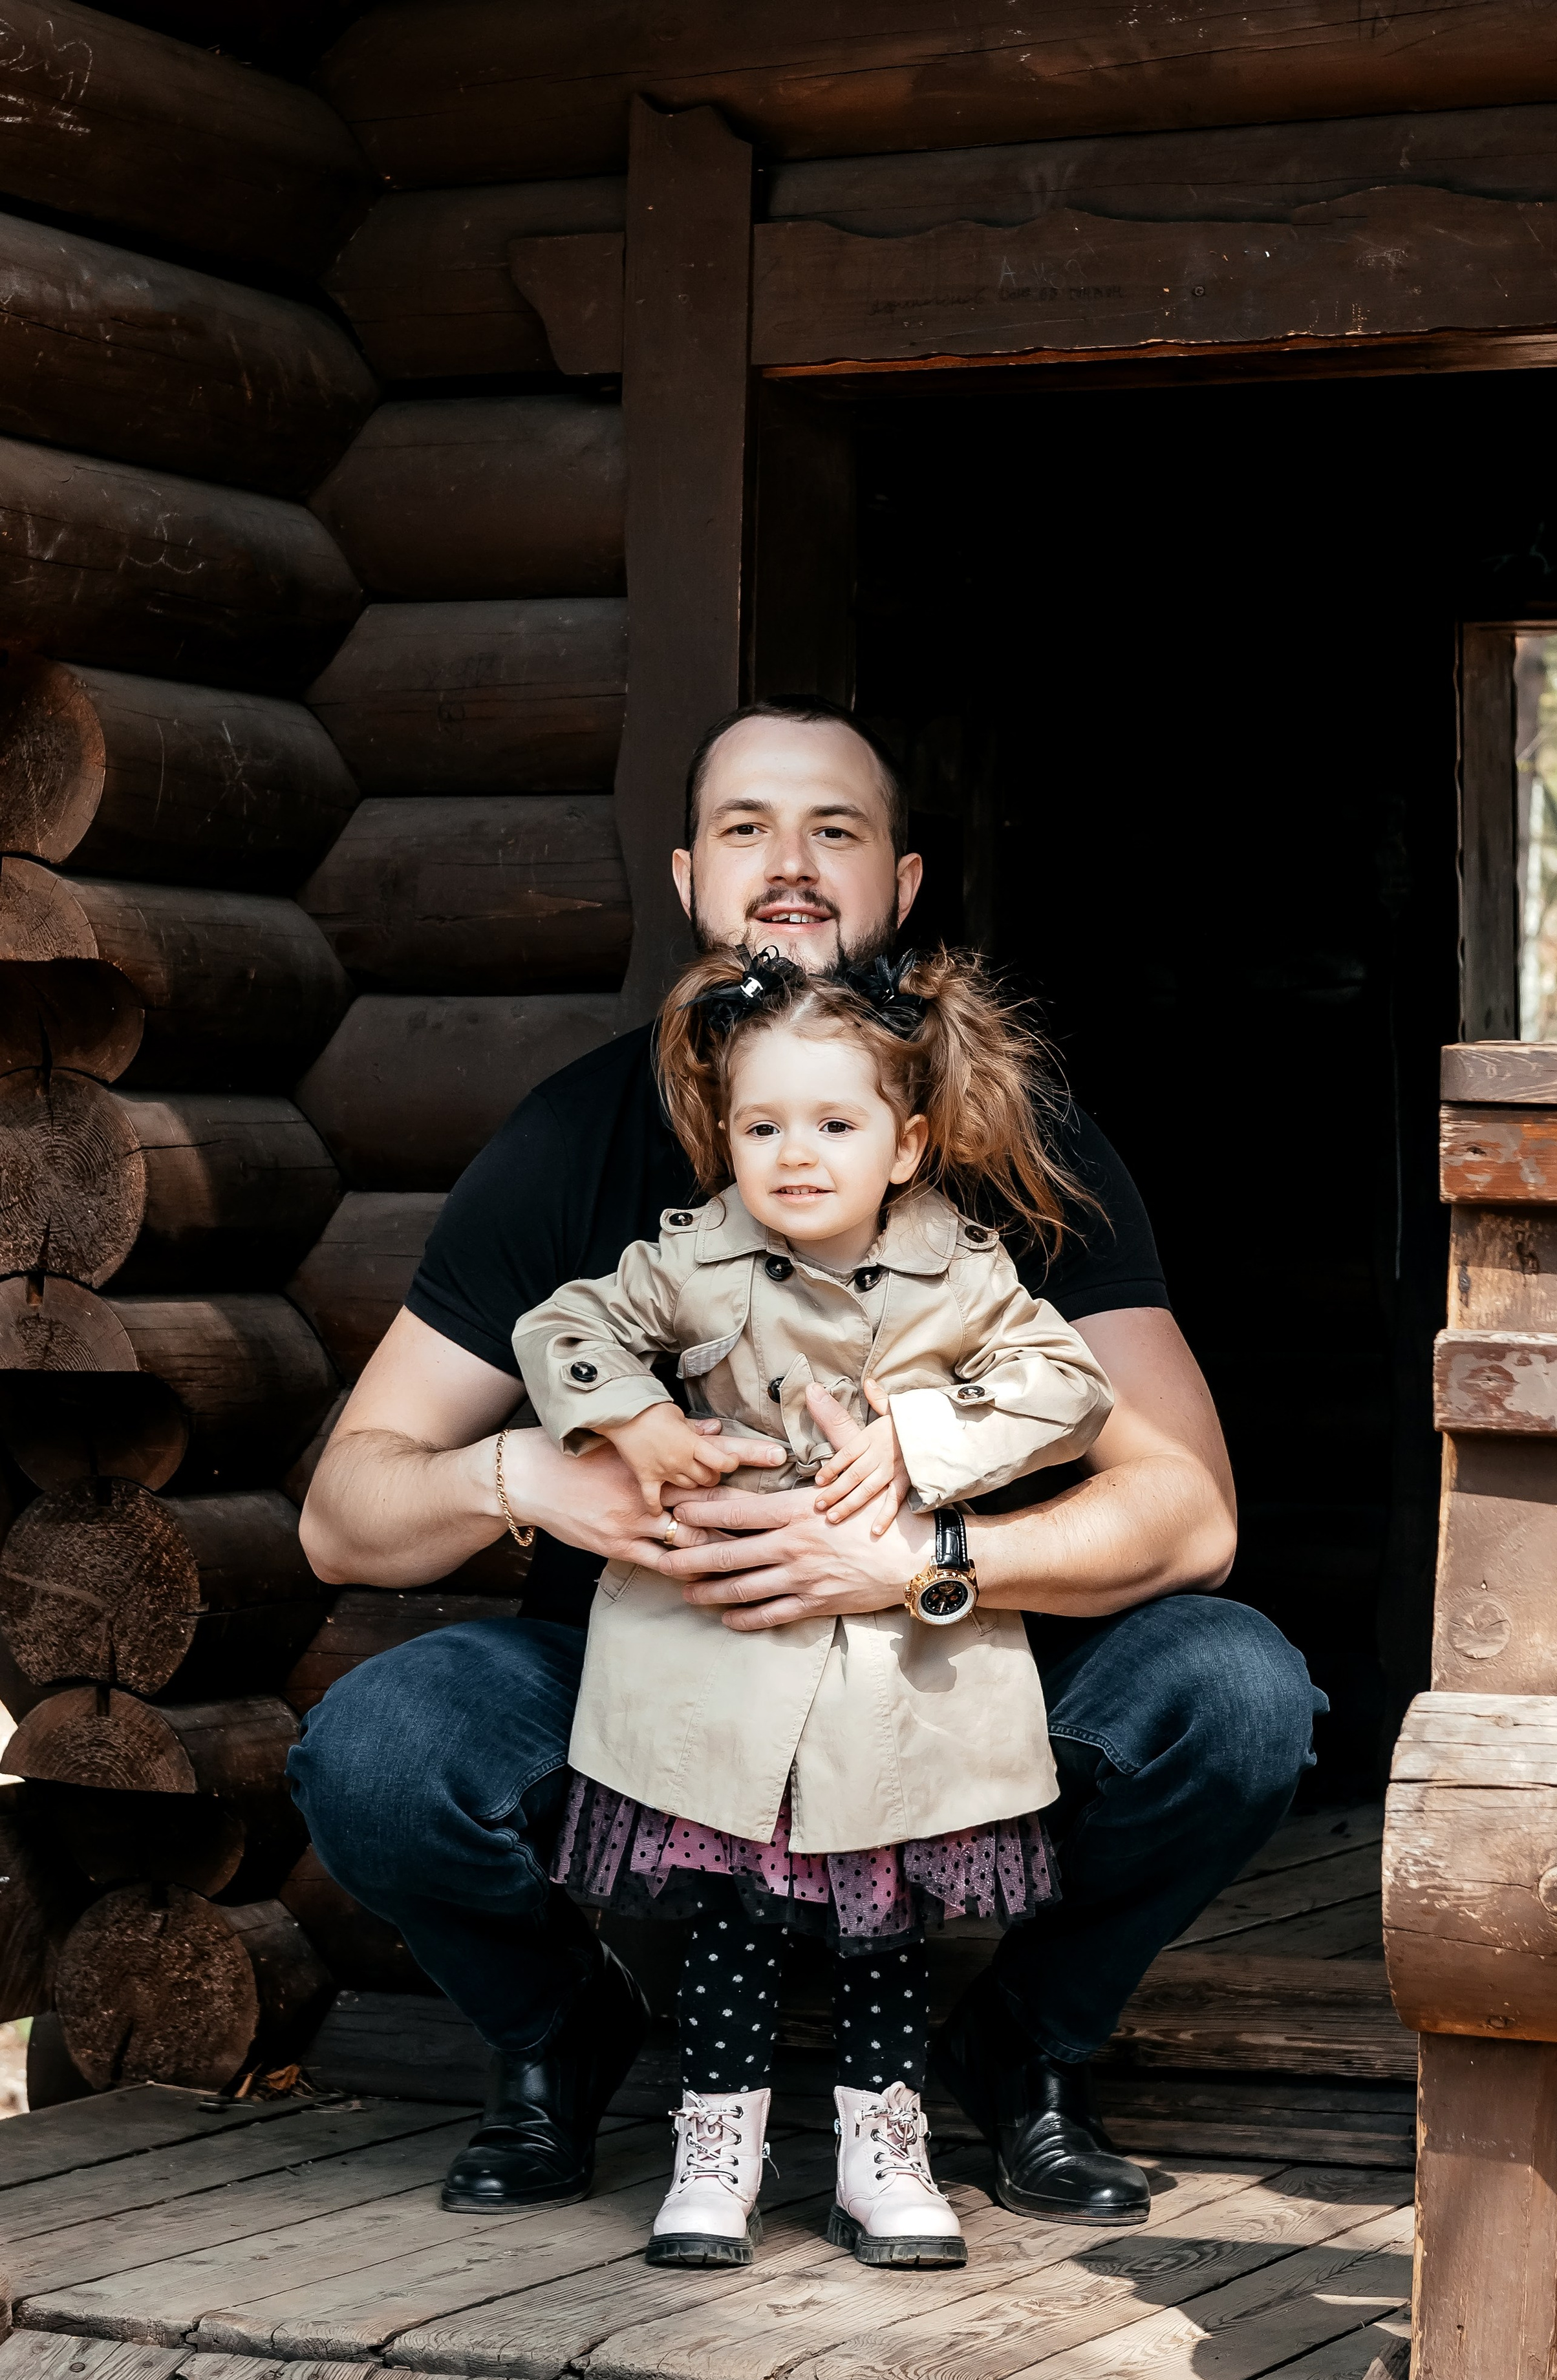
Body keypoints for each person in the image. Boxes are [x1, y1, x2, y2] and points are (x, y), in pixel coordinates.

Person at [291, 696, 1326, 2229]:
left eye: (831, 829)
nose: (787, 863)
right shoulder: (575, 1140)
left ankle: (1023, 2048)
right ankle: (560, 2038)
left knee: (1238, 1694)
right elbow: (341, 1512)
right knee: (372, 1750)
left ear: (900, 887)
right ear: (687, 877)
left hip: (950, 1654)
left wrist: (924, 1558)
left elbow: (1190, 1512)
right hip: (650, 1654)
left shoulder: (1015, 1142)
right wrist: (529, 1479)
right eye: (745, 829)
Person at [517, 944, 1112, 2269]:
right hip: (726, 1648)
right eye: (760, 1125)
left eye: (833, 1125)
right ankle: (712, 2151)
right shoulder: (694, 1261)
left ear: (901, 1145)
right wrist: (632, 1422)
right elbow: (566, 1325)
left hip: (887, 1663)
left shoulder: (959, 1271)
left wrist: (914, 1436)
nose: (794, 1154)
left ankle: (879, 2150)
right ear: (723, 1136)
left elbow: (1066, 1386)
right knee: (728, 1921)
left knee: (881, 1923)